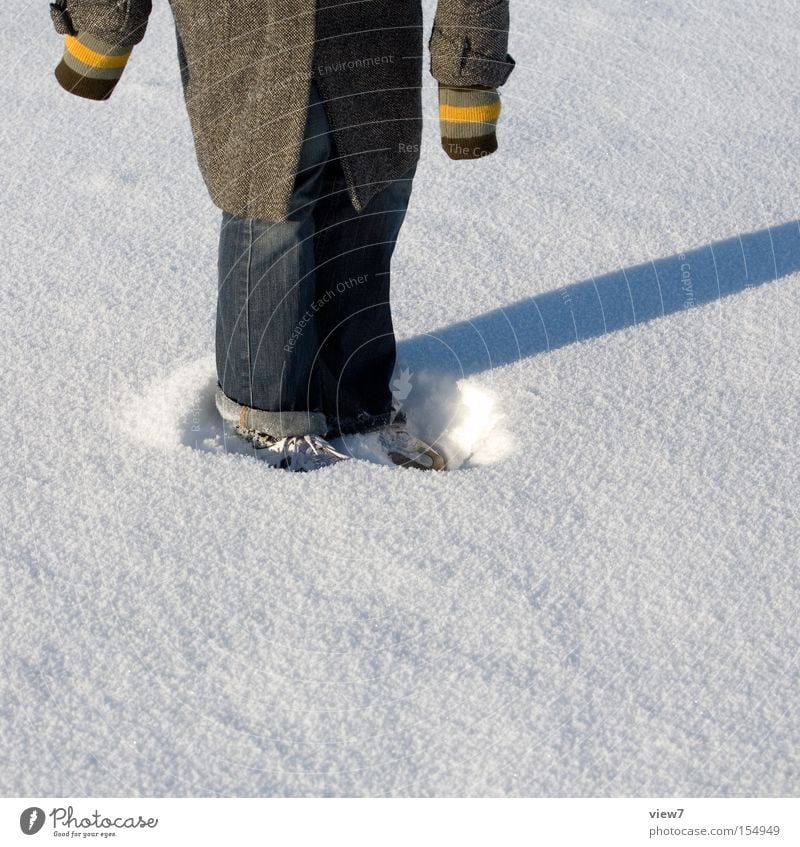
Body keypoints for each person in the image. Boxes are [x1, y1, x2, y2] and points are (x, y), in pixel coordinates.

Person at [49, 0, 514, 471]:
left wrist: (469, 70)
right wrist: (104, 26)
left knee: (370, 195)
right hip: (248, 28)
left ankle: (355, 408)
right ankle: (264, 422)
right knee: (271, 201)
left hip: (376, 28)